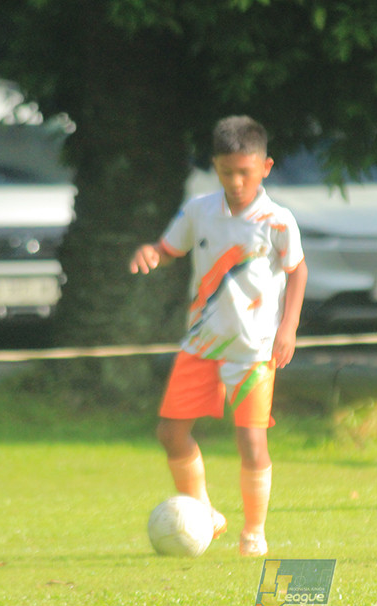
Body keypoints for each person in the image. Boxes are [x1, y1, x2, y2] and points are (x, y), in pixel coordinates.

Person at [129, 116, 307, 557]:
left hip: (254, 350)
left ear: (265, 167)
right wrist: (153, 253)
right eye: (227, 172)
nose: (236, 181)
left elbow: (297, 270)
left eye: (245, 172)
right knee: (170, 432)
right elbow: (169, 250)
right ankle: (205, 513)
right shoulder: (198, 210)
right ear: (215, 167)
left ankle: (253, 532)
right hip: (201, 345)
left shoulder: (277, 220)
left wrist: (289, 327)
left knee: (251, 441)